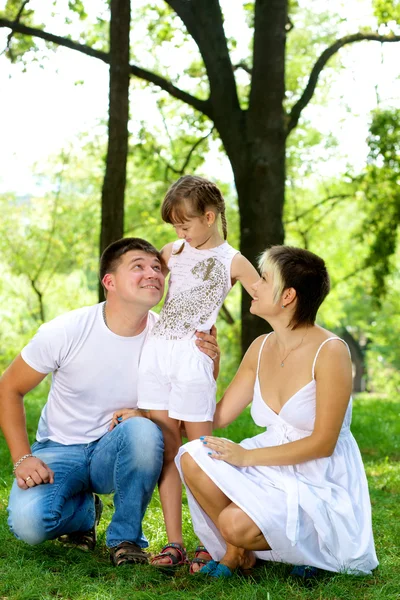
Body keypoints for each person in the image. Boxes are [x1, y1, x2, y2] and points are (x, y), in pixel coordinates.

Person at [0, 237, 219, 566]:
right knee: (29, 524)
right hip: (60, 448)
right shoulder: (67, 330)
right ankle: (85, 513)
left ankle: (126, 539)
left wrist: (206, 366)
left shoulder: (170, 339)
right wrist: (22, 459)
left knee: (142, 431)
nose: (153, 274)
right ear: (109, 281)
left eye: (158, 268)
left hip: (117, 450)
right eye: (139, 267)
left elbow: (188, 419)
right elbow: (9, 388)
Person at [177, 245, 379, 578]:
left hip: (319, 475)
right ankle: (239, 552)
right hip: (270, 464)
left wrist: (245, 458)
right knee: (191, 455)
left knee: (232, 522)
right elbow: (217, 418)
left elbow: (323, 444)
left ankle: (303, 546)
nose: (253, 285)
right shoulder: (260, 347)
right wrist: (208, 366)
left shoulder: (331, 352)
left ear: (287, 296)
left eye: (264, 279)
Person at [137, 175, 259, 570]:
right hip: (157, 355)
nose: (179, 232)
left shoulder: (233, 261)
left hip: (193, 359)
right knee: (168, 453)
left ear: (210, 217)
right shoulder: (172, 251)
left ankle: (218, 540)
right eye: (174, 225)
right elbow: (144, 286)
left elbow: (270, 298)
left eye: (185, 224)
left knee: (201, 456)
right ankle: (175, 544)